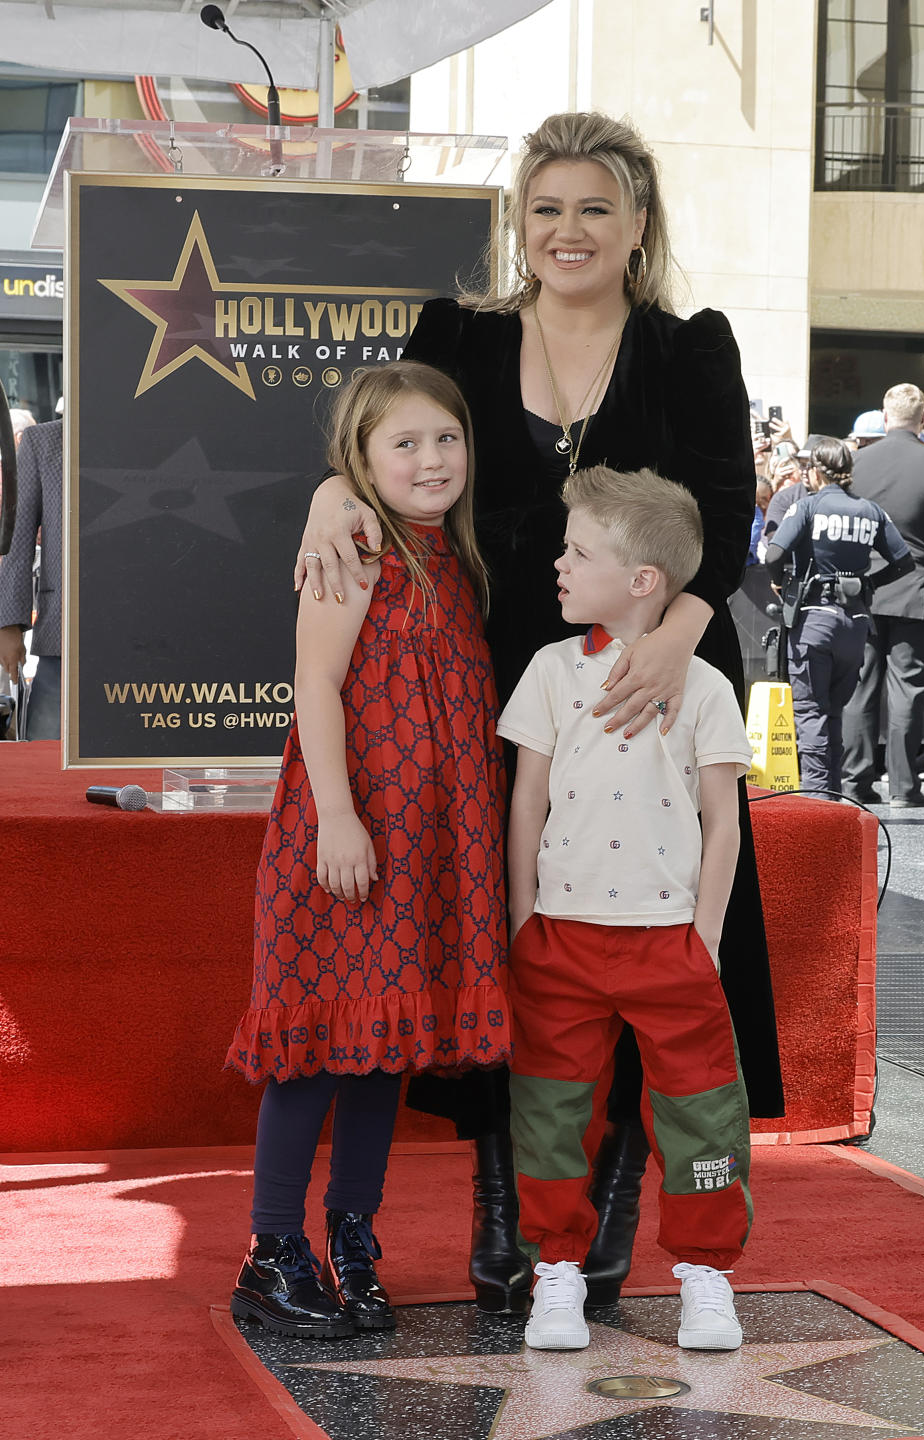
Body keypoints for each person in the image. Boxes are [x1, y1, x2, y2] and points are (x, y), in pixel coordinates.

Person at [293, 110, 784, 1314]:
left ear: (636, 226)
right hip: (481, 684)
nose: (568, 231)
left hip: (651, 680)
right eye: (548, 207)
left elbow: (723, 516)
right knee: (518, 938)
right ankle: (508, 1188)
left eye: (594, 210)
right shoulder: (456, 333)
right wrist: (323, 495)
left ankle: (616, 1178)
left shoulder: (692, 351)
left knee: (647, 933)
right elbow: (379, 445)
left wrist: (667, 649)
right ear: (522, 221)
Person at [226, 361, 511, 1339]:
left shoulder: (453, 559)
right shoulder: (353, 549)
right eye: (405, 443)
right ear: (360, 460)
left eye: (447, 439)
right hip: (350, 834)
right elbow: (316, 687)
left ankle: (352, 1237)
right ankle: (271, 1254)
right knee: (313, 1050)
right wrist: (340, 816)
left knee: (378, 1050)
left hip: (428, 845)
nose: (432, 460)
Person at [500, 464, 753, 1353]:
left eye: (578, 551)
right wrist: (524, 919)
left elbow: (725, 819)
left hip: (670, 942)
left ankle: (707, 1275)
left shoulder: (708, 686)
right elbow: (525, 801)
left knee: (701, 1111)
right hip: (559, 939)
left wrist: (707, 935)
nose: (558, 565)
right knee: (551, 1109)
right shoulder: (548, 671)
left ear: (643, 580)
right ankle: (557, 1272)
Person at [764, 438, 913, 799]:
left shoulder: (807, 506)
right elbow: (904, 562)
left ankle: (817, 800)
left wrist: (780, 583)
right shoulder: (871, 511)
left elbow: (774, 553)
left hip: (814, 621)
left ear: (815, 471)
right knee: (833, 712)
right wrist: (866, 583)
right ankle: (832, 797)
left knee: (810, 711)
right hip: (854, 623)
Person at [841, 383, 924, 807]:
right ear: (923, 416)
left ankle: (854, 782)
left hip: (861, 590)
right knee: (908, 690)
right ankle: (904, 787)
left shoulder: (855, 463)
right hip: (919, 589)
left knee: (860, 687)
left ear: (885, 415)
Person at [0, 417, 63, 738]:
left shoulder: (152, 431)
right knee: (44, 755)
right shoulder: (44, 441)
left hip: (147, 638)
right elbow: (18, 538)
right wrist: (9, 624)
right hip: (61, 632)